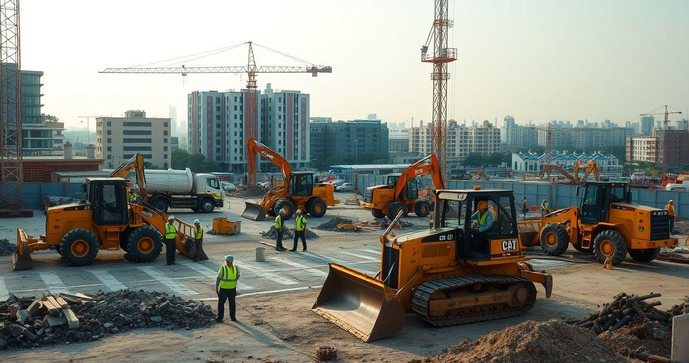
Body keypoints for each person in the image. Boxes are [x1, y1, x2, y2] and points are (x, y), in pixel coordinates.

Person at [215, 254, 239, 322]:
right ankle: (233, 317)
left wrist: (216, 288)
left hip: (224, 289)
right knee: (232, 303)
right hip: (232, 289)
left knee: (221, 303)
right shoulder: (236, 268)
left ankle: (220, 318)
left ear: (226, 261)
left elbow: (218, 278)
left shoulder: (223, 268)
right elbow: (237, 276)